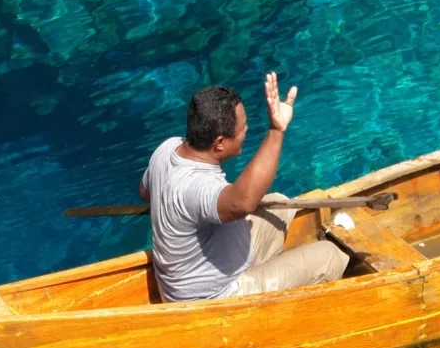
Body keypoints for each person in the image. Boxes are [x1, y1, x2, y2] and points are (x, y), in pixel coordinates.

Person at [139, 73, 350, 302]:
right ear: (219, 143)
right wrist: (276, 130)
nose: (247, 130)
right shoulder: (197, 187)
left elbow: (145, 191)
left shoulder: (167, 148)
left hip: (212, 262)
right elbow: (243, 202)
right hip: (213, 296)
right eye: (242, 128)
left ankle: (278, 278)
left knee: (279, 204)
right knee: (330, 257)